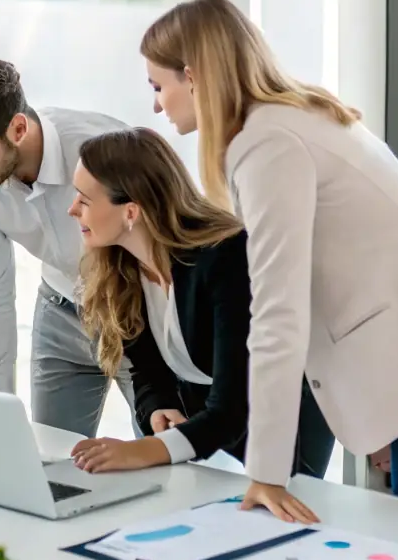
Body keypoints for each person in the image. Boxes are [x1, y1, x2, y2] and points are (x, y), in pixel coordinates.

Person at [139, 0, 398, 522]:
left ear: (192, 76)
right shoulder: (289, 120)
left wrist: (265, 474)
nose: (155, 105)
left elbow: (279, 315)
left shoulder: (267, 145)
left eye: (158, 86)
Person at [64, 128, 334, 479]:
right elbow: (148, 374)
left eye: (84, 200)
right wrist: (160, 408)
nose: (72, 210)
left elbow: (233, 407)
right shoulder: (122, 272)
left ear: (131, 212)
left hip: (283, 416)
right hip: (212, 423)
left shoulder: (227, 258)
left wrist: (141, 451)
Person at [0, 54, 136, 437]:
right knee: (49, 462)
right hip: (59, 308)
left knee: (164, 452)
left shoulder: (101, 151)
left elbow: (165, 258)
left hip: (133, 311)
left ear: (18, 129)